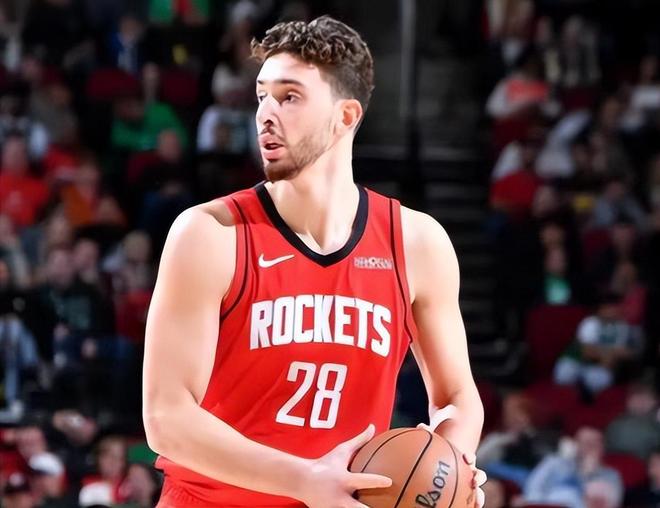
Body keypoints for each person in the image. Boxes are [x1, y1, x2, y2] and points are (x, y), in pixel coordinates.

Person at [143, 16, 486, 508]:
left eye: (289, 97)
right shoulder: (210, 235)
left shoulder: (416, 243)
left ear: (346, 116)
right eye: (261, 96)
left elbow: (457, 398)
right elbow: (166, 418)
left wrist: (447, 470)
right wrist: (304, 480)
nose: (265, 114)